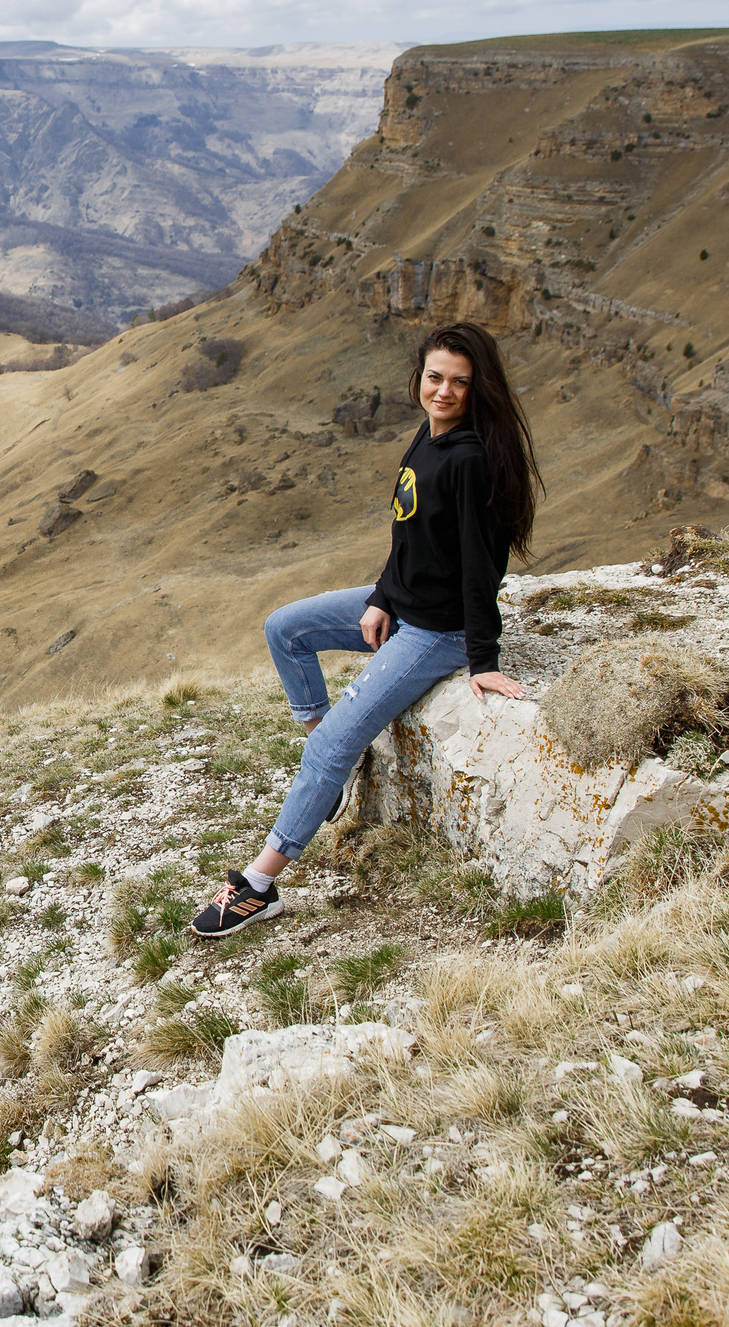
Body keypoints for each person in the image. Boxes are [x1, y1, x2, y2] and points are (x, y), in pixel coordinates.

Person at [189, 321, 543, 938]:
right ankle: (327, 773)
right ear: (419, 379)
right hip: (401, 606)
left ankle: (259, 886)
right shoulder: (428, 437)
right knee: (285, 629)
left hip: (439, 632)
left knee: (329, 749)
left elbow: (481, 565)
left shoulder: (469, 461)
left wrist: (482, 657)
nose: (444, 392)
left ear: (478, 388)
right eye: (435, 378)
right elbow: (407, 533)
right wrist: (381, 596)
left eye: (460, 383)